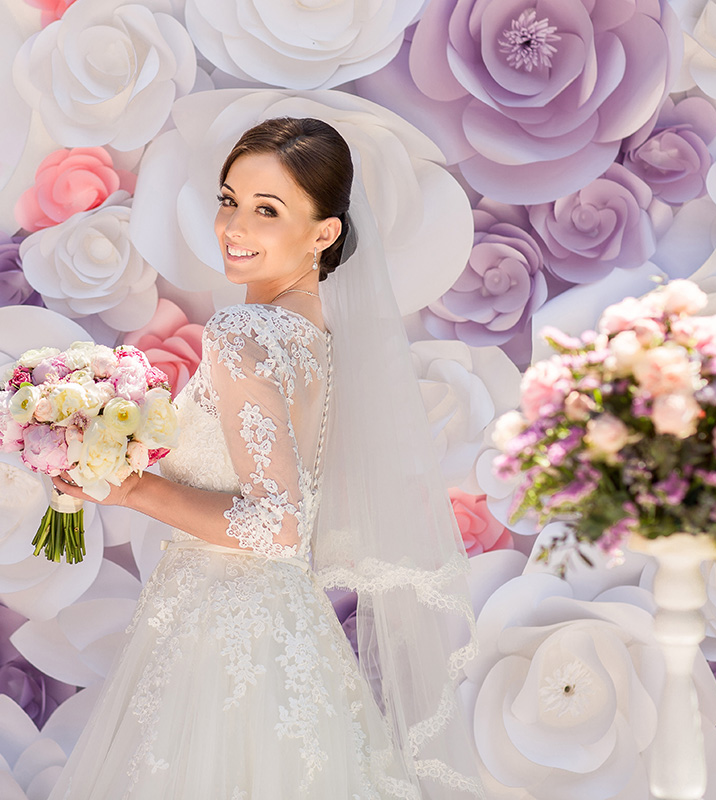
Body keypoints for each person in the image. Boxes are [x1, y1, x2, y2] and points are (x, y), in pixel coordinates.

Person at [47, 117, 482, 799]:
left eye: (266, 210)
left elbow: (278, 524)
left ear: (324, 233)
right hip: (280, 625)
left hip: (224, 632)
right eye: (228, 200)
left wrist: (131, 489)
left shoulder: (242, 331)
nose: (234, 227)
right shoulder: (320, 337)